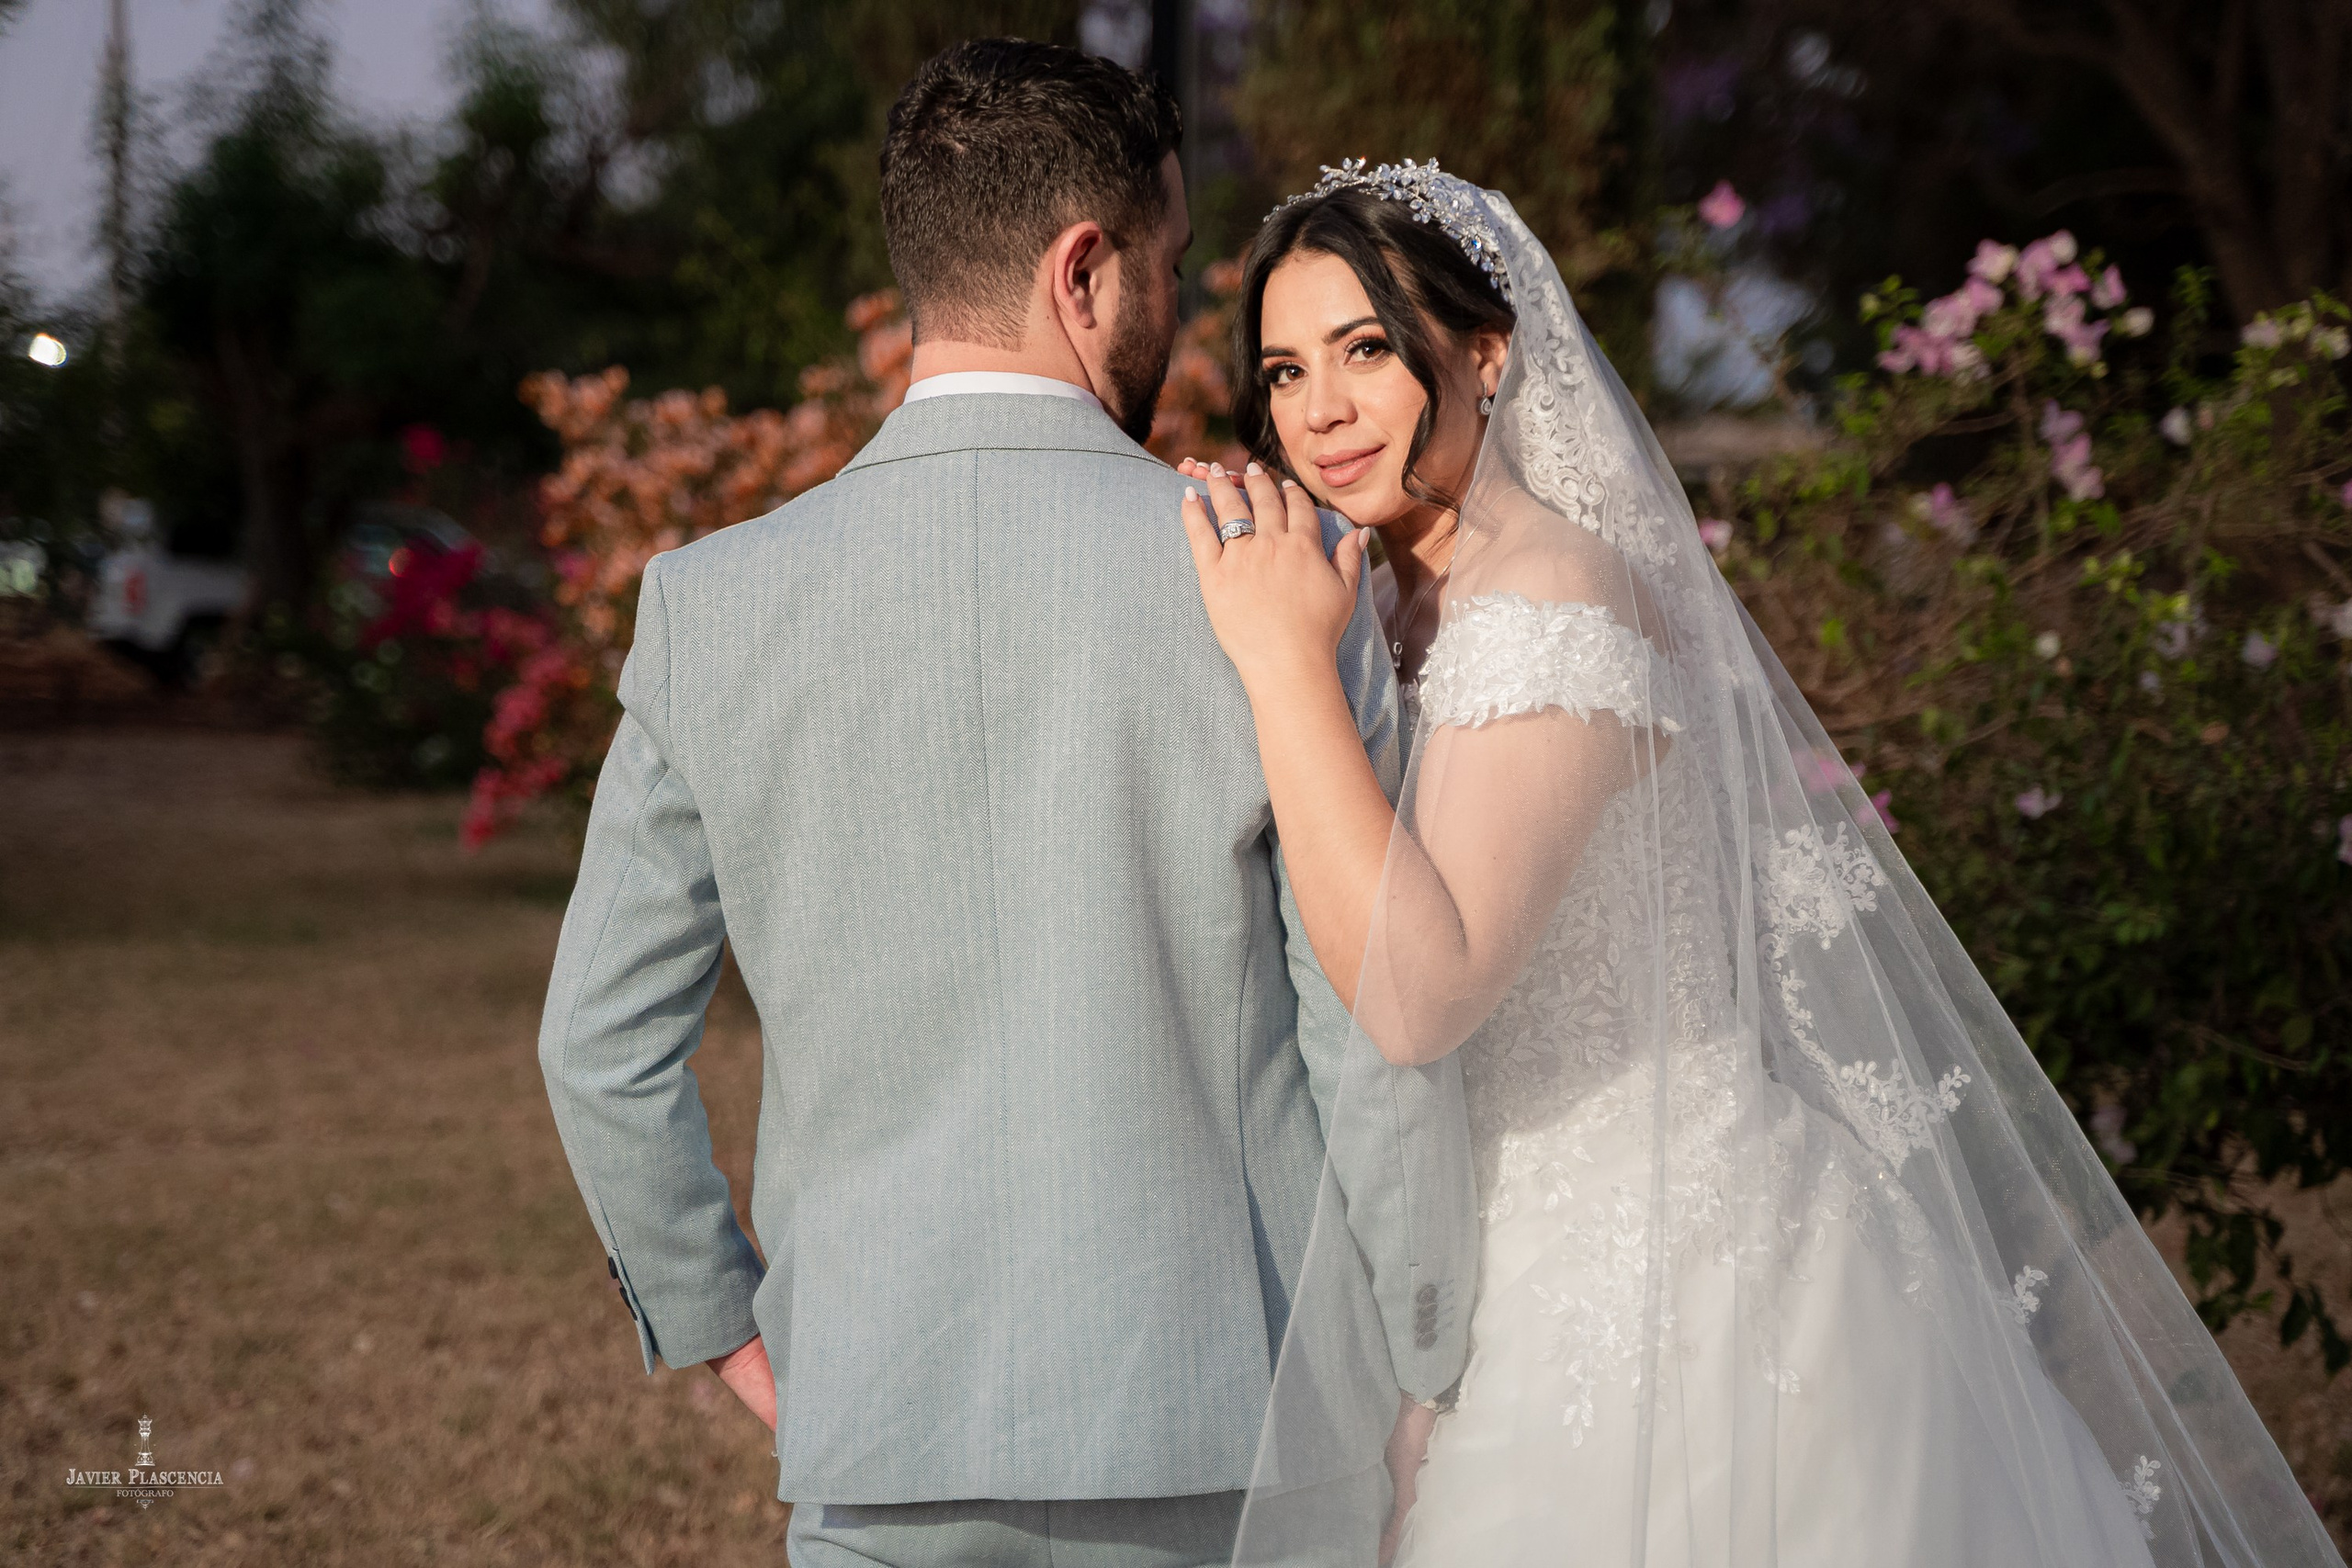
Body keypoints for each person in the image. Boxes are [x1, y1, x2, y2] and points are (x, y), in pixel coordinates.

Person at [1177, 162, 2346, 1566]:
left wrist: (1280, 662)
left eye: (1368, 348)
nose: (1319, 409)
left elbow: (1425, 993)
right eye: (1286, 368)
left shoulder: (1550, 591)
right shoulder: (1379, 596)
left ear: (1486, 353)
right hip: (1474, 1253)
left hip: (1669, 1278)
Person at [534, 43, 1476, 1568]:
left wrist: (725, 1330)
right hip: (1249, 1432)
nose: (1176, 309)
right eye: (1169, 264)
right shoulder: (1272, 572)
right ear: (1085, 272)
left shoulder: (710, 607)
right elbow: (1365, 1035)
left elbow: (597, 1046)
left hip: (882, 1437)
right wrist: (1431, 1353)